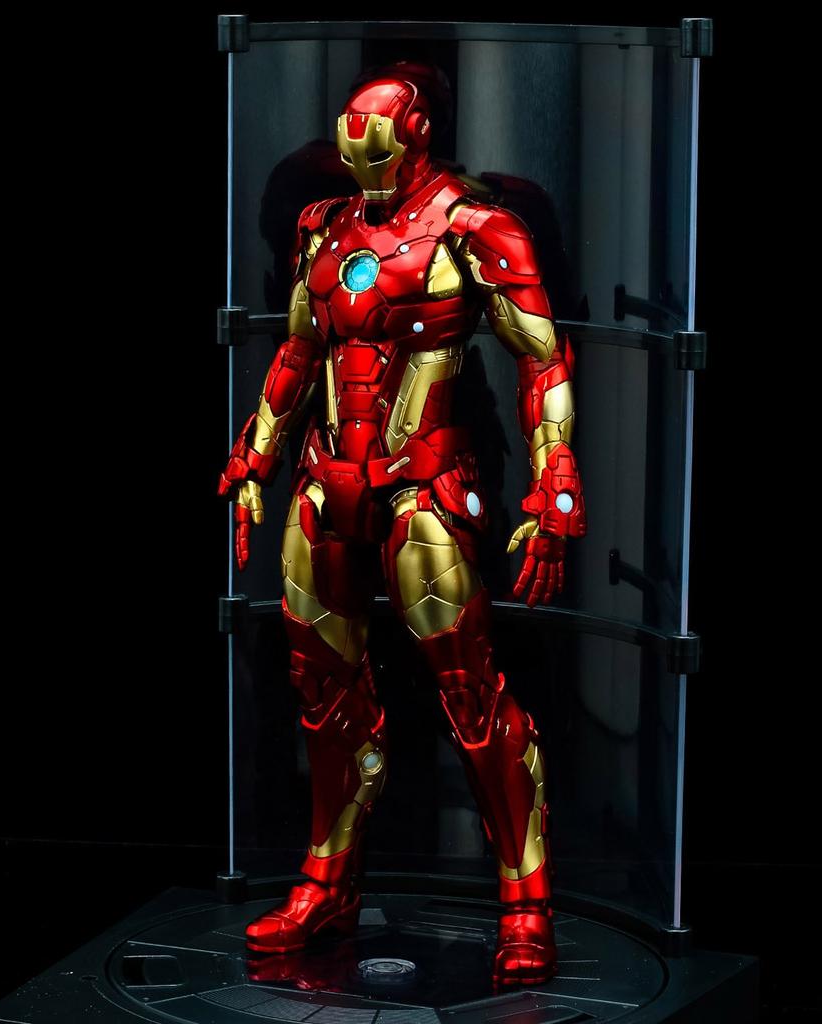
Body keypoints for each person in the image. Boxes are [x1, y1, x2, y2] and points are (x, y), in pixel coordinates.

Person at [218, 61, 586, 987]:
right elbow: (298, 349)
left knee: (470, 693)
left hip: (425, 483)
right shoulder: (325, 226)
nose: (363, 161)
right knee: (323, 694)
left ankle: (526, 902)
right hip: (326, 480)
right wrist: (255, 457)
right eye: (353, 144)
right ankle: (326, 886)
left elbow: (542, 358)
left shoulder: (476, 227)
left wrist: (555, 487)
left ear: (417, 136)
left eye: (376, 143)